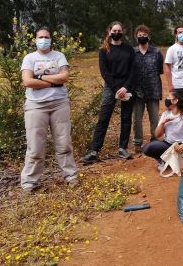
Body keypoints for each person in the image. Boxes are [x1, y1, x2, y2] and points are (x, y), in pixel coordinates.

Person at [20, 28, 78, 192]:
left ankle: (70, 175)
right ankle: (30, 181)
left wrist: (39, 77)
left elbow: (64, 77)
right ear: (35, 40)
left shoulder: (59, 56)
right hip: (35, 105)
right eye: (40, 37)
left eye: (46, 37)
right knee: (35, 145)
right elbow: (27, 82)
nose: (43, 39)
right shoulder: (29, 58)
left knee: (64, 142)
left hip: (59, 103)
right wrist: (54, 82)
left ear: (51, 39)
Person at [82, 22, 136, 164]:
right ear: (109, 31)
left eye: (119, 30)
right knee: (103, 118)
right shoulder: (104, 50)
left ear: (122, 32)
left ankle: (123, 148)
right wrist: (117, 88)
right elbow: (104, 72)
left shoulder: (129, 49)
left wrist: (125, 87)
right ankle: (94, 150)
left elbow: (133, 70)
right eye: (114, 30)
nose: (116, 32)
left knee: (126, 119)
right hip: (110, 87)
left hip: (127, 87)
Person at [143, 91, 183, 168]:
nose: (166, 99)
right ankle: (163, 160)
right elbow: (157, 135)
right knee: (147, 148)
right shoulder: (166, 114)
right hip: (168, 144)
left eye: (169, 97)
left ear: (175, 101)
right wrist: (163, 123)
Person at [131, 24, 164, 153]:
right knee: (137, 119)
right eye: (139, 35)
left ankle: (155, 141)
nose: (142, 37)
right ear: (136, 37)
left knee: (154, 118)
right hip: (137, 91)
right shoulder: (132, 53)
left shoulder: (156, 52)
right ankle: (137, 144)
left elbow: (160, 69)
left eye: (144, 35)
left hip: (153, 89)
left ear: (149, 37)